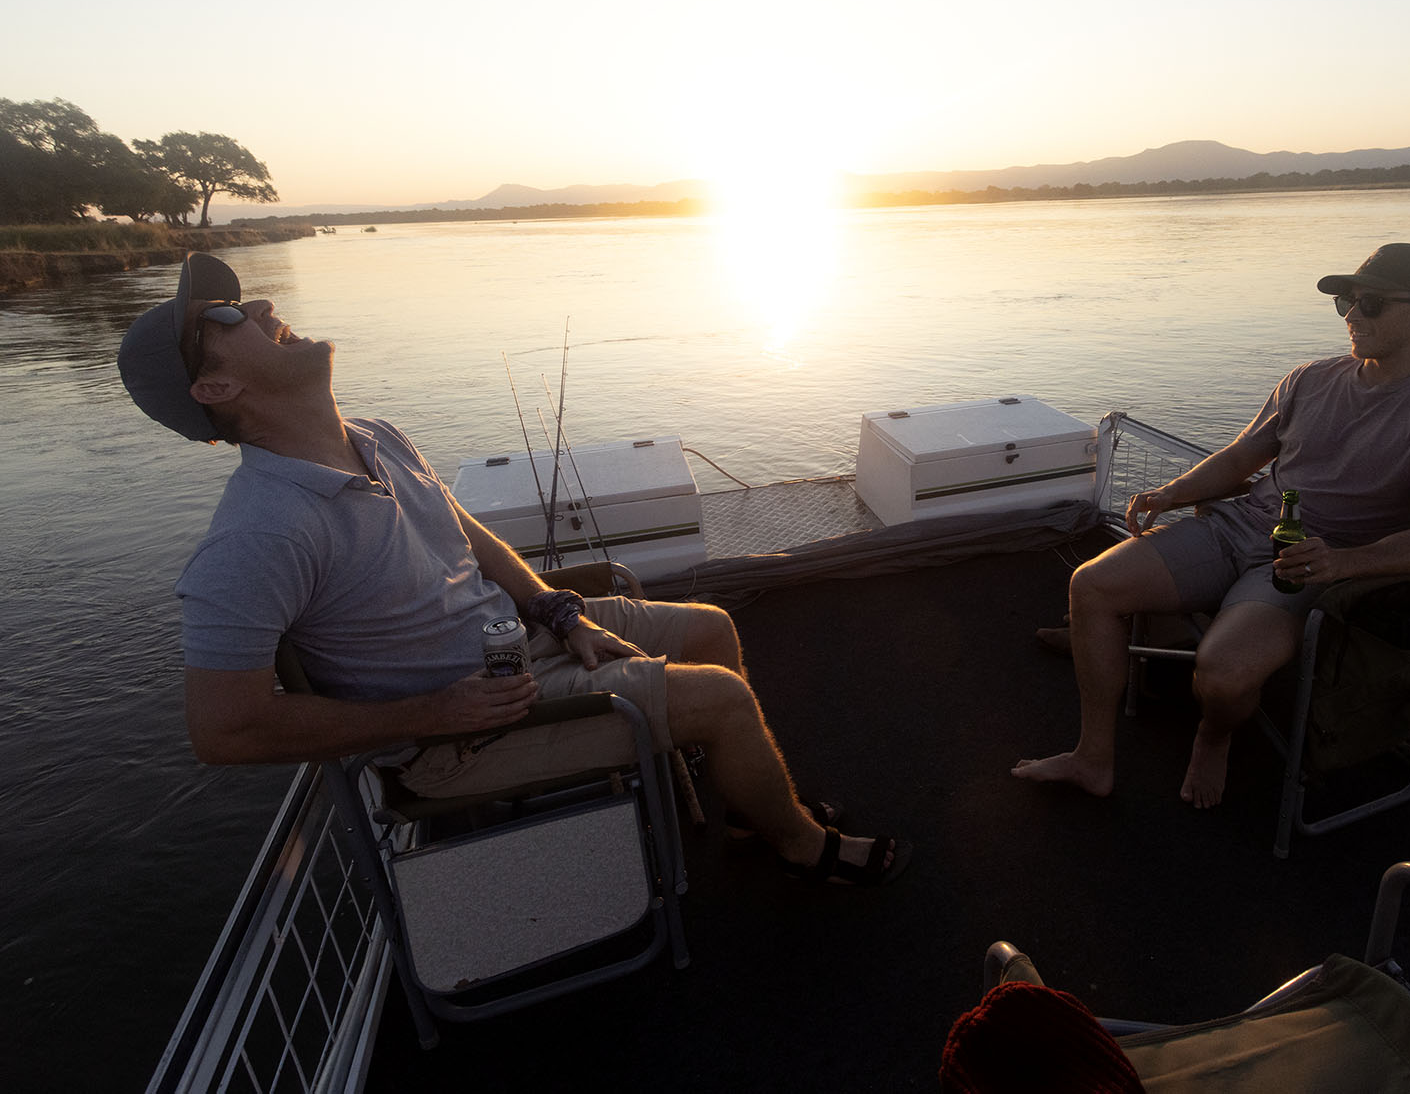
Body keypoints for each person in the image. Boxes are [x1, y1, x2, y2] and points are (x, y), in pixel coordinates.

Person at [117, 252, 908, 885]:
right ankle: (802, 845)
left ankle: (747, 812)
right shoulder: (256, 536)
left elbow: (467, 532)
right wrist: (437, 711)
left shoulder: (374, 433)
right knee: (724, 700)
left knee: (714, 626)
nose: (259, 307)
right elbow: (222, 729)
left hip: (524, 642)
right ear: (216, 386)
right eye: (226, 315)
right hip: (469, 735)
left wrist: (556, 609)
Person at [1012, 243, 1410, 808]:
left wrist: (1342, 563)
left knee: (1222, 676)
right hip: (1236, 528)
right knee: (1091, 585)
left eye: (1371, 303)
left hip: (1305, 565)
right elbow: (1242, 458)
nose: (1351, 317)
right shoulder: (1310, 379)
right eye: (1345, 301)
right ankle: (1092, 759)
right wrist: (1172, 493)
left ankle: (1214, 733)